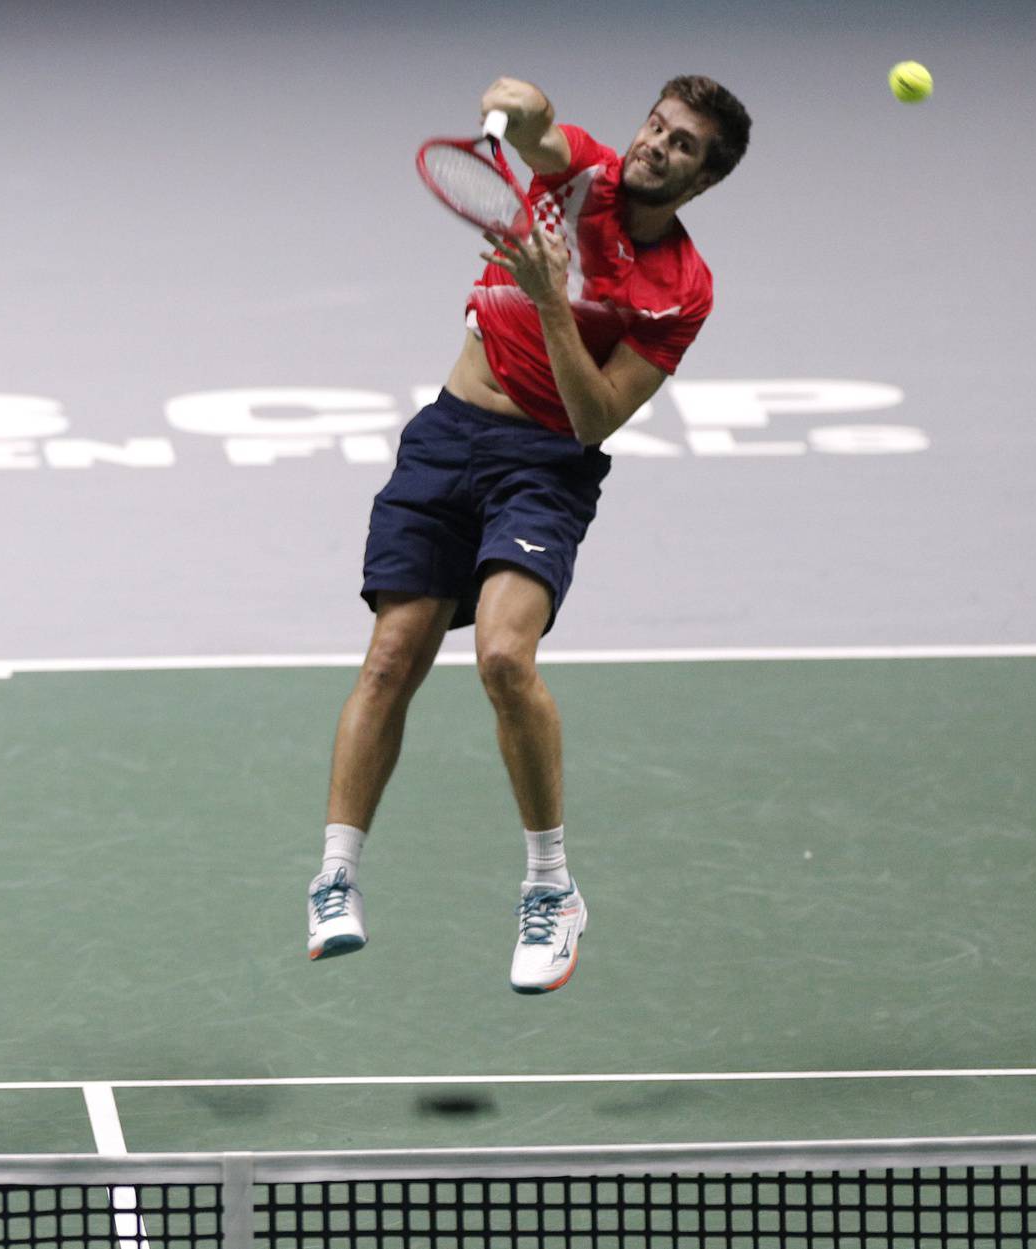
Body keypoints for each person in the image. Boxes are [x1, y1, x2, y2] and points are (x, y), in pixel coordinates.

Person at [305, 77, 751, 992]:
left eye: (682, 146)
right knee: (391, 656)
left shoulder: (682, 292)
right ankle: (336, 875)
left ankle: (551, 887)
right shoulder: (581, 171)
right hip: (448, 434)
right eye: (656, 126)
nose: (655, 147)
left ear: (703, 180)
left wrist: (552, 299)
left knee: (506, 658)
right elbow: (542, 126)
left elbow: (594, 421)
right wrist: (518, 97)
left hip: (544, 464)